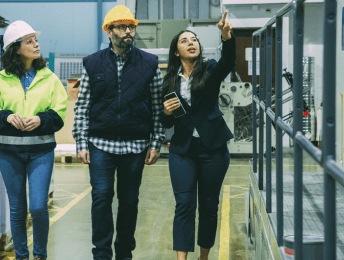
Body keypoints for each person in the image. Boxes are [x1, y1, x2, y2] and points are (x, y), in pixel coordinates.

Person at [72, 5, 165, 260]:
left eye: (131, 27)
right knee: (101, 197)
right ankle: (101, 254)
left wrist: (155, 142)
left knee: (129, 201)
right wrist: (81, 142)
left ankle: (124, 253)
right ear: (109, 31)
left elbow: (157, 106)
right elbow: (82, 106)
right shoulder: (92, 63)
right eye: (122, 27)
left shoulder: (149, 63)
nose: (128, 32)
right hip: (101, 143)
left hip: (135, 146)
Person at [0, 20, 68, 260]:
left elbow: (59, 113)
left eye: (36, 40)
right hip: (10, 152)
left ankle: (40, 255)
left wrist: (41, 120)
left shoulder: (49, 78)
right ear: (16, 48)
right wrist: (8, 117)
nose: (36, 45)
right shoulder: (0, 79)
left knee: (38, 206)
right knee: (17, 209)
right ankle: (21, 256)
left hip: (41, 151)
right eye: (30, 41)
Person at [160, 11, 235, 260]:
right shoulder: (169, 80)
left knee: (209, 207)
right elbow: (165, 121)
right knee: (184, 206)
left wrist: (226, 38)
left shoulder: (211, 70)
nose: (191, 42)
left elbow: (228, 62)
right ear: (176, 52)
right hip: (182, 150)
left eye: (194, 40)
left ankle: (203, 257)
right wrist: (166, 112)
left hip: (213, 149)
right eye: (185, 40)